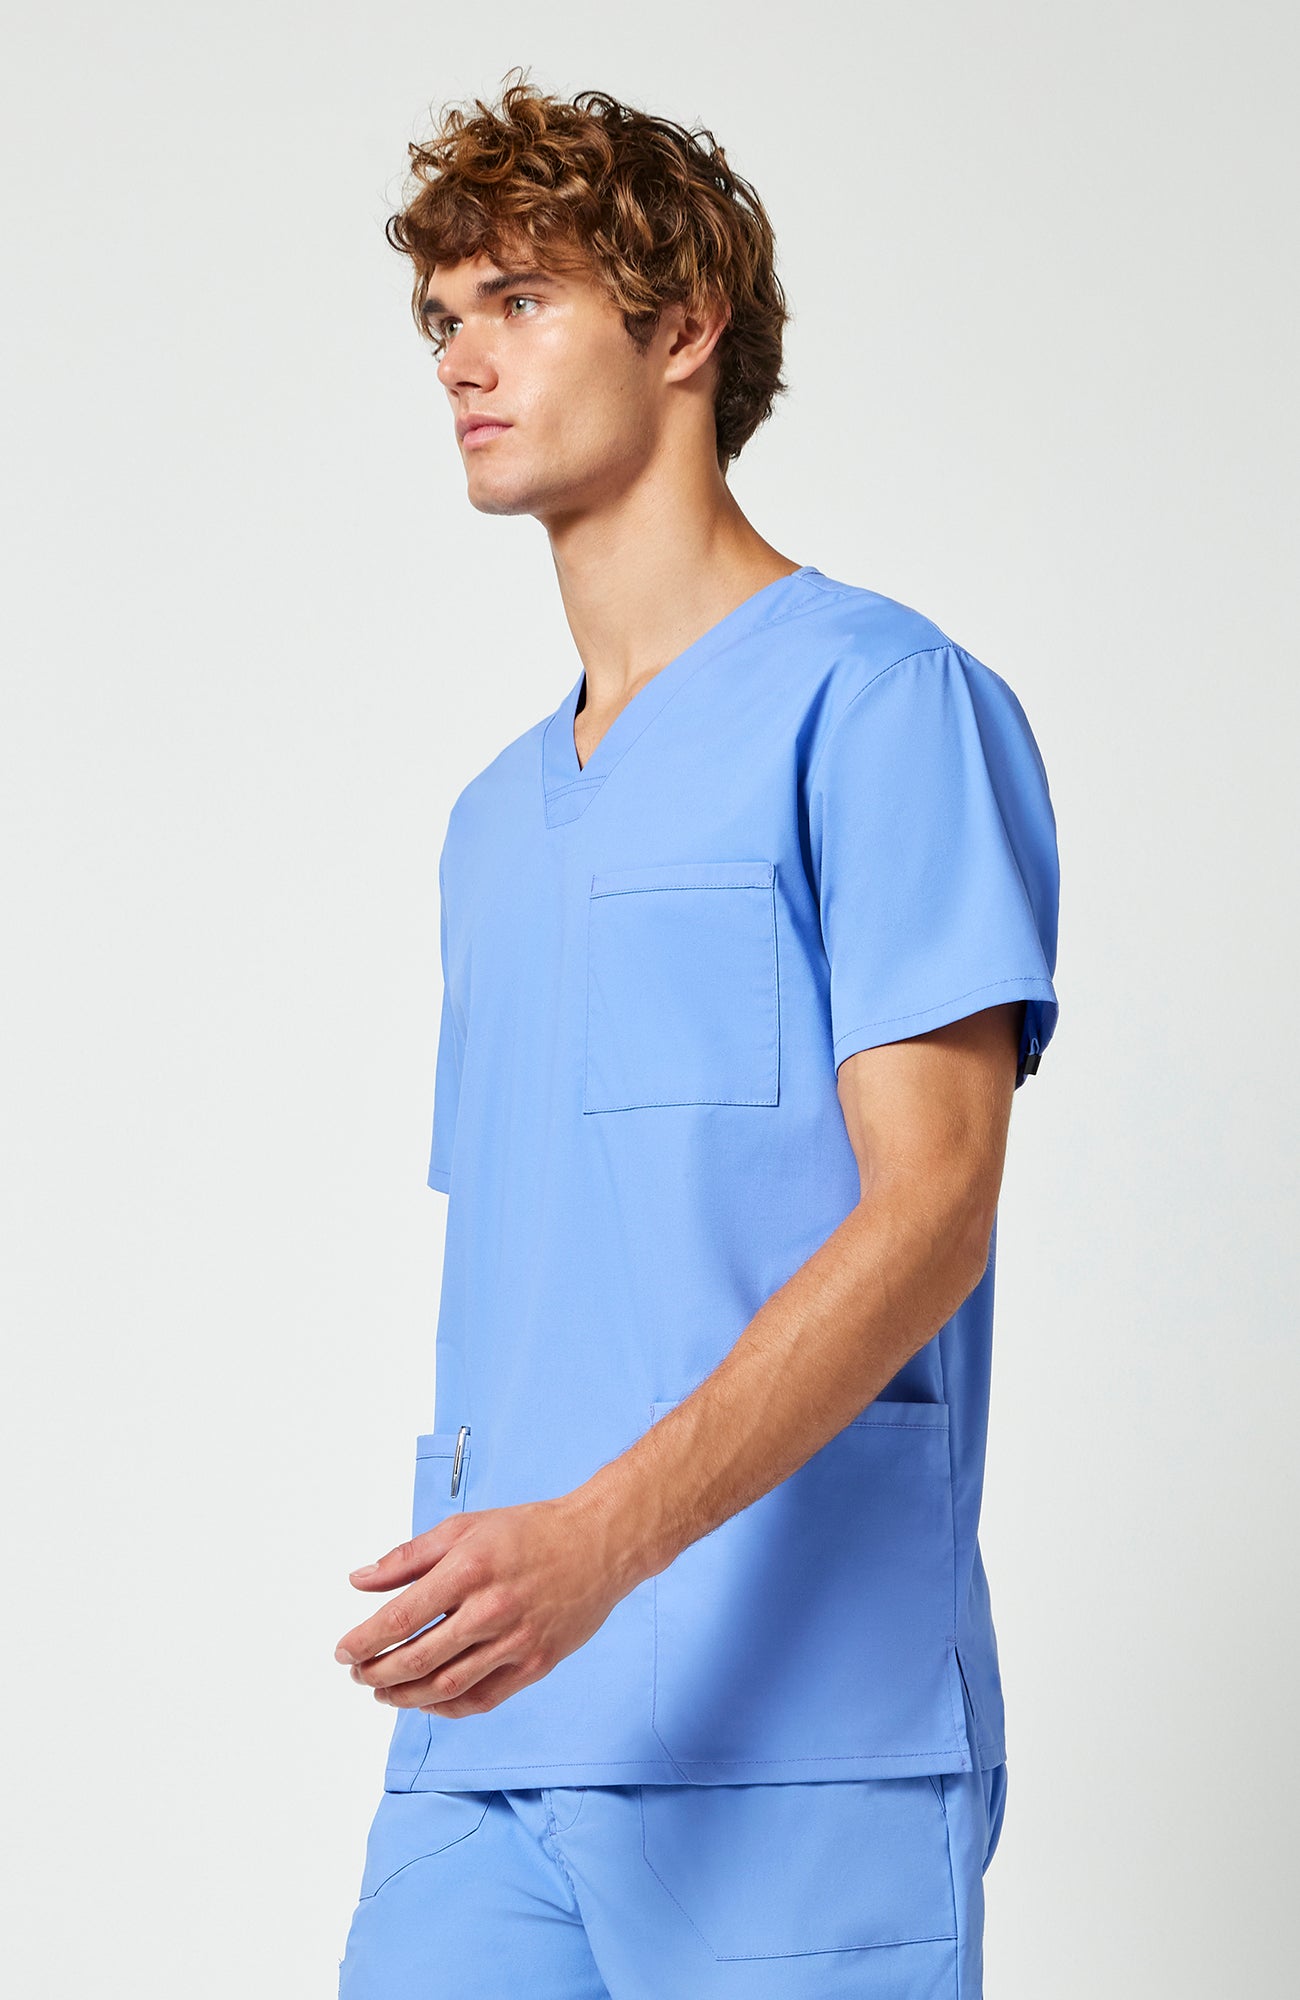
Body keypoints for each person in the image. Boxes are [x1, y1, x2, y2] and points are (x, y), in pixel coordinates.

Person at [334, 69, 1061, 1999]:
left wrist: (600, 1545)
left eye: (521, 300)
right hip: (489, 1741)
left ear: (683, 329)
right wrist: (514, 1581)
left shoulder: (882, 704)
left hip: (807, 1745)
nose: (461, 358)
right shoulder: (492, 825)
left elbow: (934, 1210)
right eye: (443, 316)